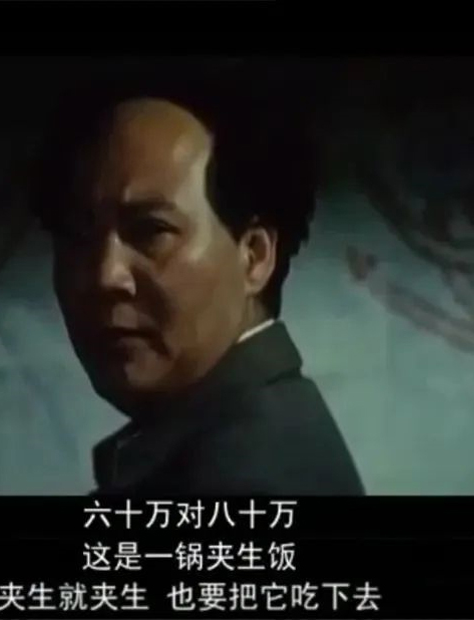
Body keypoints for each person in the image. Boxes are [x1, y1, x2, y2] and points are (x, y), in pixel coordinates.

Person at [28, 67, 364, 495]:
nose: (105, 276)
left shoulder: (248, 481)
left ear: (254, 256)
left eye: (151, 231)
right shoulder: (241, 443)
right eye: (77, 235)